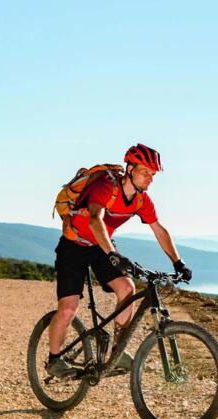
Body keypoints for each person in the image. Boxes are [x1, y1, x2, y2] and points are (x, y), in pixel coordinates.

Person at [46, 143, 192, 377]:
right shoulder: (106, 187)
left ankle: (117, 349)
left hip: (101, 247)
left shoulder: (142, 200)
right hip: (74, 246)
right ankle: (54, 359)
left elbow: (159, 230)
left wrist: (178, 262)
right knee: (67, 309)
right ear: (130, 168)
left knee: (127, 287)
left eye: (152, 175)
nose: (150, 179)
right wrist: (113, 254)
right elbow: (96, 220)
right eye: (145, 172)